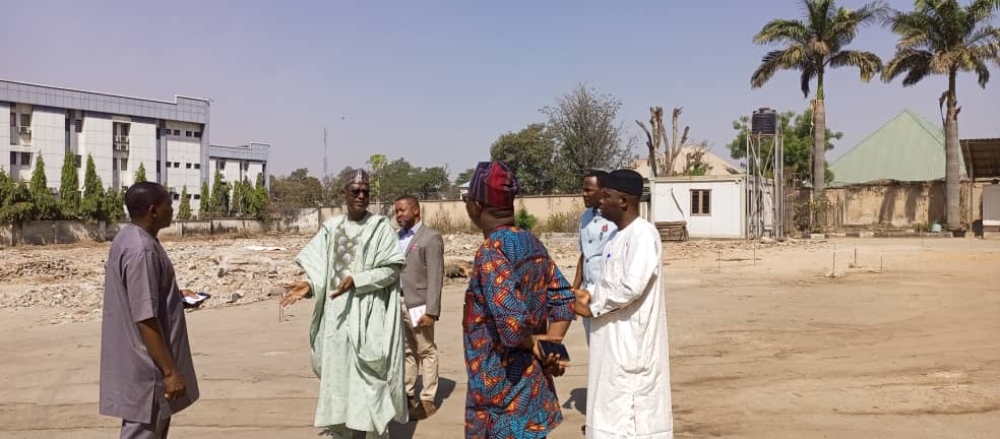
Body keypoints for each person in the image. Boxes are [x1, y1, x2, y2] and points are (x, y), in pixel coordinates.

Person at [281, 169, 407, 438]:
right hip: (336, 319)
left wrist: (358, 279)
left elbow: (392, 270)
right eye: (355, 191)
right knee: (337, 379)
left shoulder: (380, 228)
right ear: (344, 194)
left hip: (369, 315)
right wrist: (310, 287)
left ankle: (375, 432)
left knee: (372, 379)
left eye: (366, 191)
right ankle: (340, 432)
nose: (361, 196)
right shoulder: (331, 228)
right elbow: (322, 272)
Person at [462, 161, 575, 438]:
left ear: (476, 205)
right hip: (532, 390)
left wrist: (537, 344)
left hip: (501, 396)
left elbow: (512, 324)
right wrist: (551, 347)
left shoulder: (491, 251)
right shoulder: (531, 242)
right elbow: (563, 297)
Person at [572, 169, 673, 439]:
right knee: (609, 412)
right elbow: (608, 284)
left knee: (631, 418)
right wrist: (587, 294)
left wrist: (592, 307)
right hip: (610, 343)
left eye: (606, 196)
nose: (600, 202)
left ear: (624, 201)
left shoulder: (643, 235)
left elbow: (631, 286)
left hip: (631, 347)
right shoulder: (616, 238)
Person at [99, 182, 199, 439]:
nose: (173, 208)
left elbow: (140, 294)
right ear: (154, 210)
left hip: (138, 364)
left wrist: (174, 296)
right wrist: (170, 372)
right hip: (148, 369)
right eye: (169, 203)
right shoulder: (141, 250)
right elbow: (145, 317)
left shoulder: (129, 238)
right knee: (143, 431)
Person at [393, 195, 445, 420]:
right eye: (396, 211)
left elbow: (436, 276)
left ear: (416, 210)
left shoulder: (430, 238)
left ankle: (427, 399)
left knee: (426, 350)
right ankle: (407, 394)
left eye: (403, 210)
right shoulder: (398, 238)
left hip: (420, 304)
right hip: (400, 301)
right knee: (407, 351)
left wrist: (431, 311)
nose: (399, 215)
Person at [572, 170, 617, 345]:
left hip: (607, 294)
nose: (584, 194)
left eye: (589, 190)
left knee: (609, 347)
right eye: (583, 190)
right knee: (594, 345)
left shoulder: (614, 219)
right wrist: (572, 292)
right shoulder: (585, 218)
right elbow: (584, 257)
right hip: (586, 295)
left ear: (603, 191)